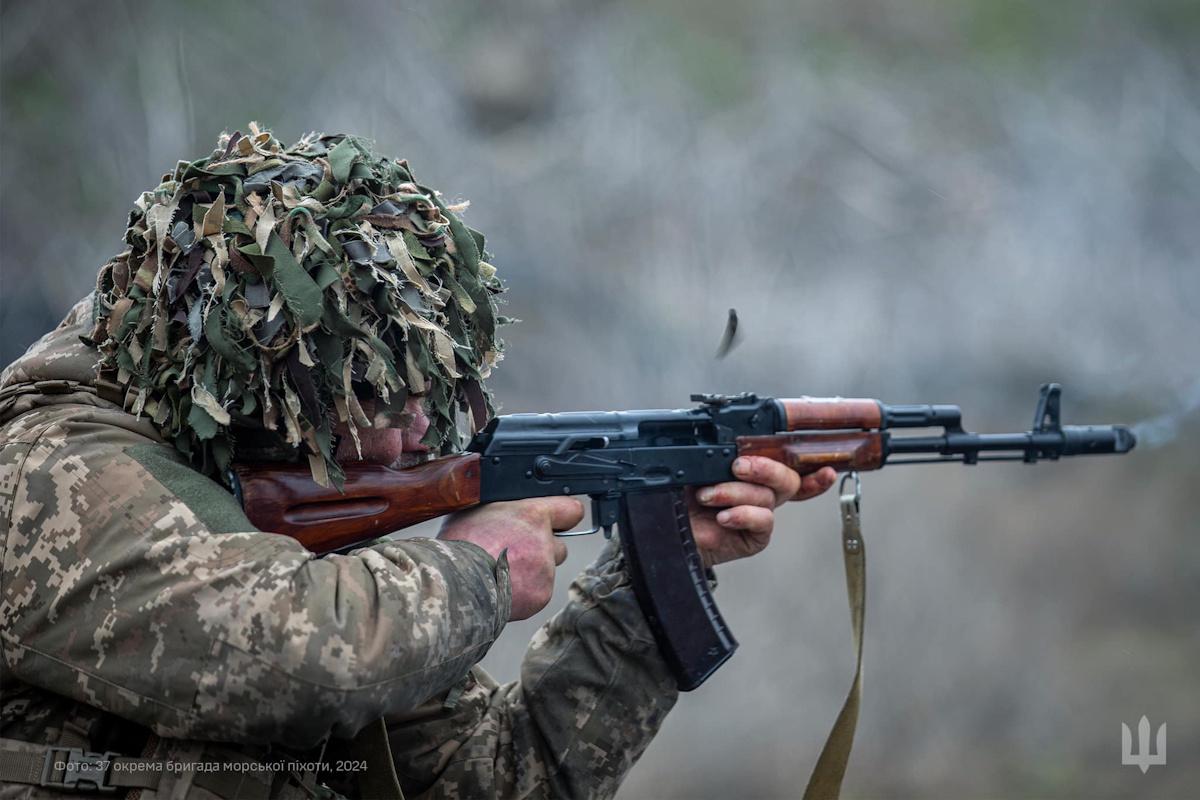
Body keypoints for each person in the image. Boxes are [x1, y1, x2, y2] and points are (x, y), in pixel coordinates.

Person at [0, 126, 835, 799]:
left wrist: (650, 574)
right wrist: (480, 570)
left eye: (433, 401)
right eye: (384, 407)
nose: (416, 442)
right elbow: (302, 659)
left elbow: (495, 781)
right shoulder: (52, 472)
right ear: (265, 389)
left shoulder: (304, 496)